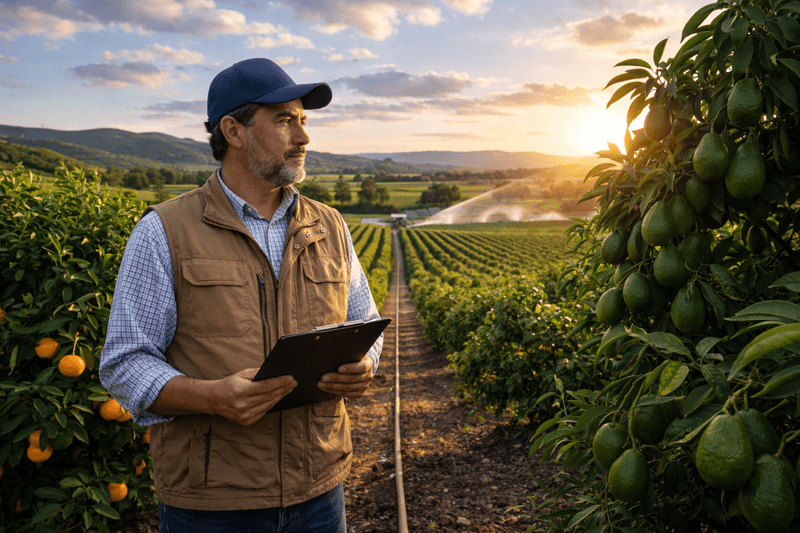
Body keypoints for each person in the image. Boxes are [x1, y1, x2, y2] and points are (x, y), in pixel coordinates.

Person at [99, 58, 383, 533]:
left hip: (319, 489)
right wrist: (211, 397)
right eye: (284, 120)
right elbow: (124, 362)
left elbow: (366, 324)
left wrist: (364, 365)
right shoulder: (163, 232)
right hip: (212, 504)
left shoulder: (329, 225)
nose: (304, 137)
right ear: (233, 130)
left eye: (304, 120)